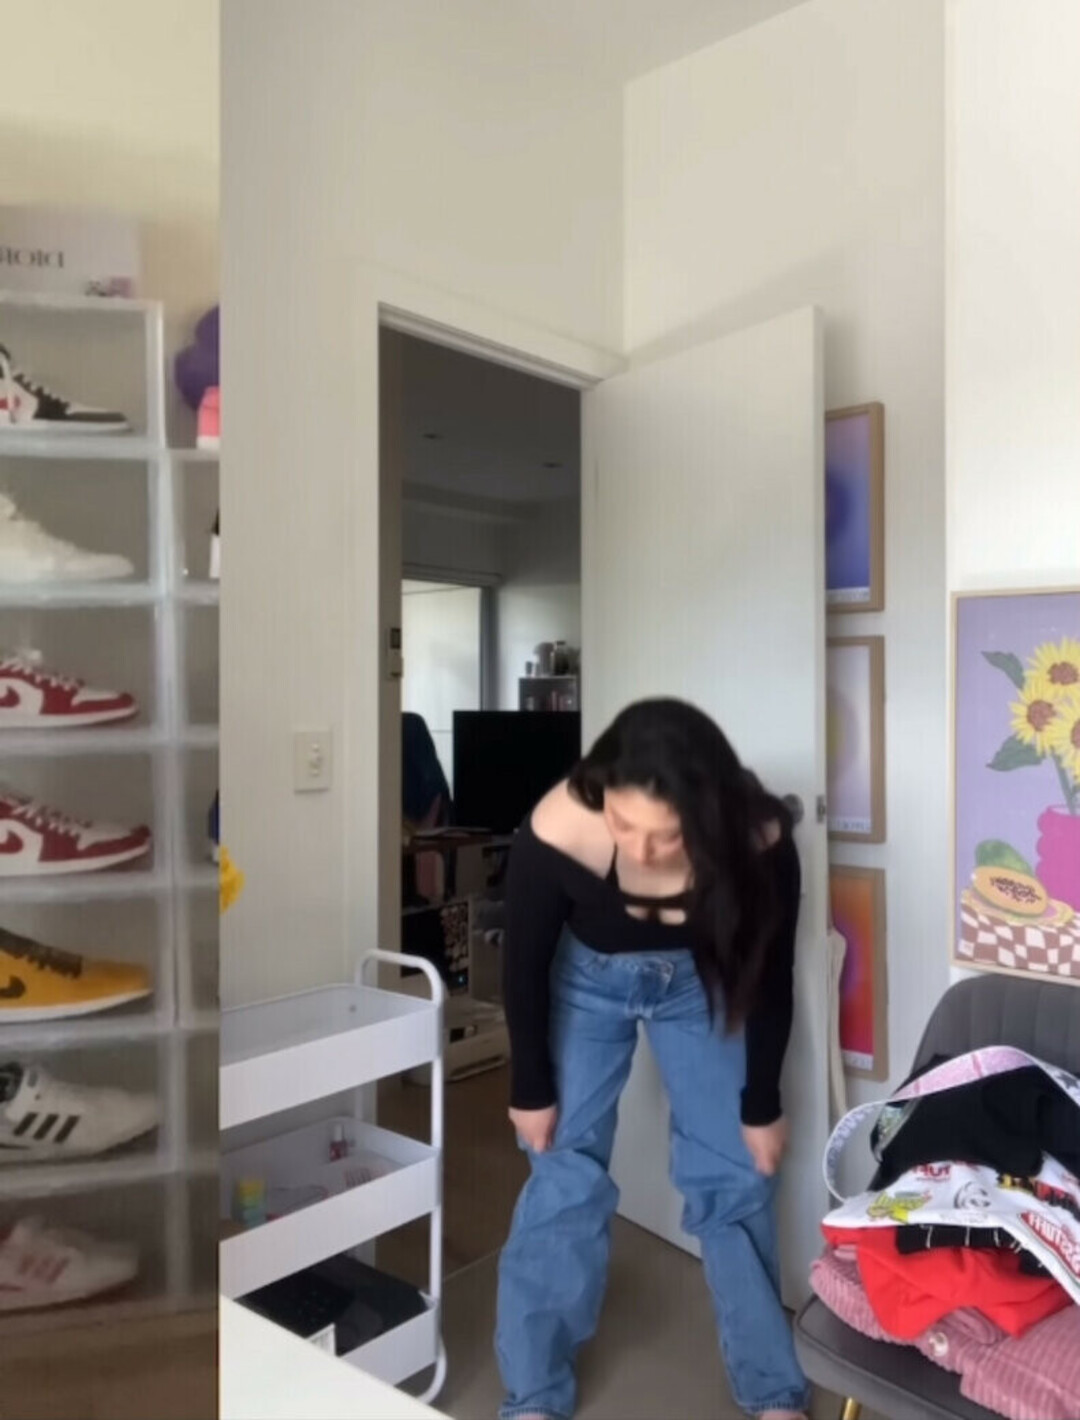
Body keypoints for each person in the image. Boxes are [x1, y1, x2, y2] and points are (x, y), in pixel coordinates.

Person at [495, 699, 810, 1420]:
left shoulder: (758, 839)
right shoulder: (560, 825)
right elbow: (523, 964)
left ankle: (773, 1390)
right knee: (562, 1172)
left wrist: (761, 1103)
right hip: (585, 982)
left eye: (665, 835)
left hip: (701, 985)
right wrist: (530, 1086)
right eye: (623, 824)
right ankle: (533, 1396)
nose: (639, 851)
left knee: (736, 1173)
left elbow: (770, 978)